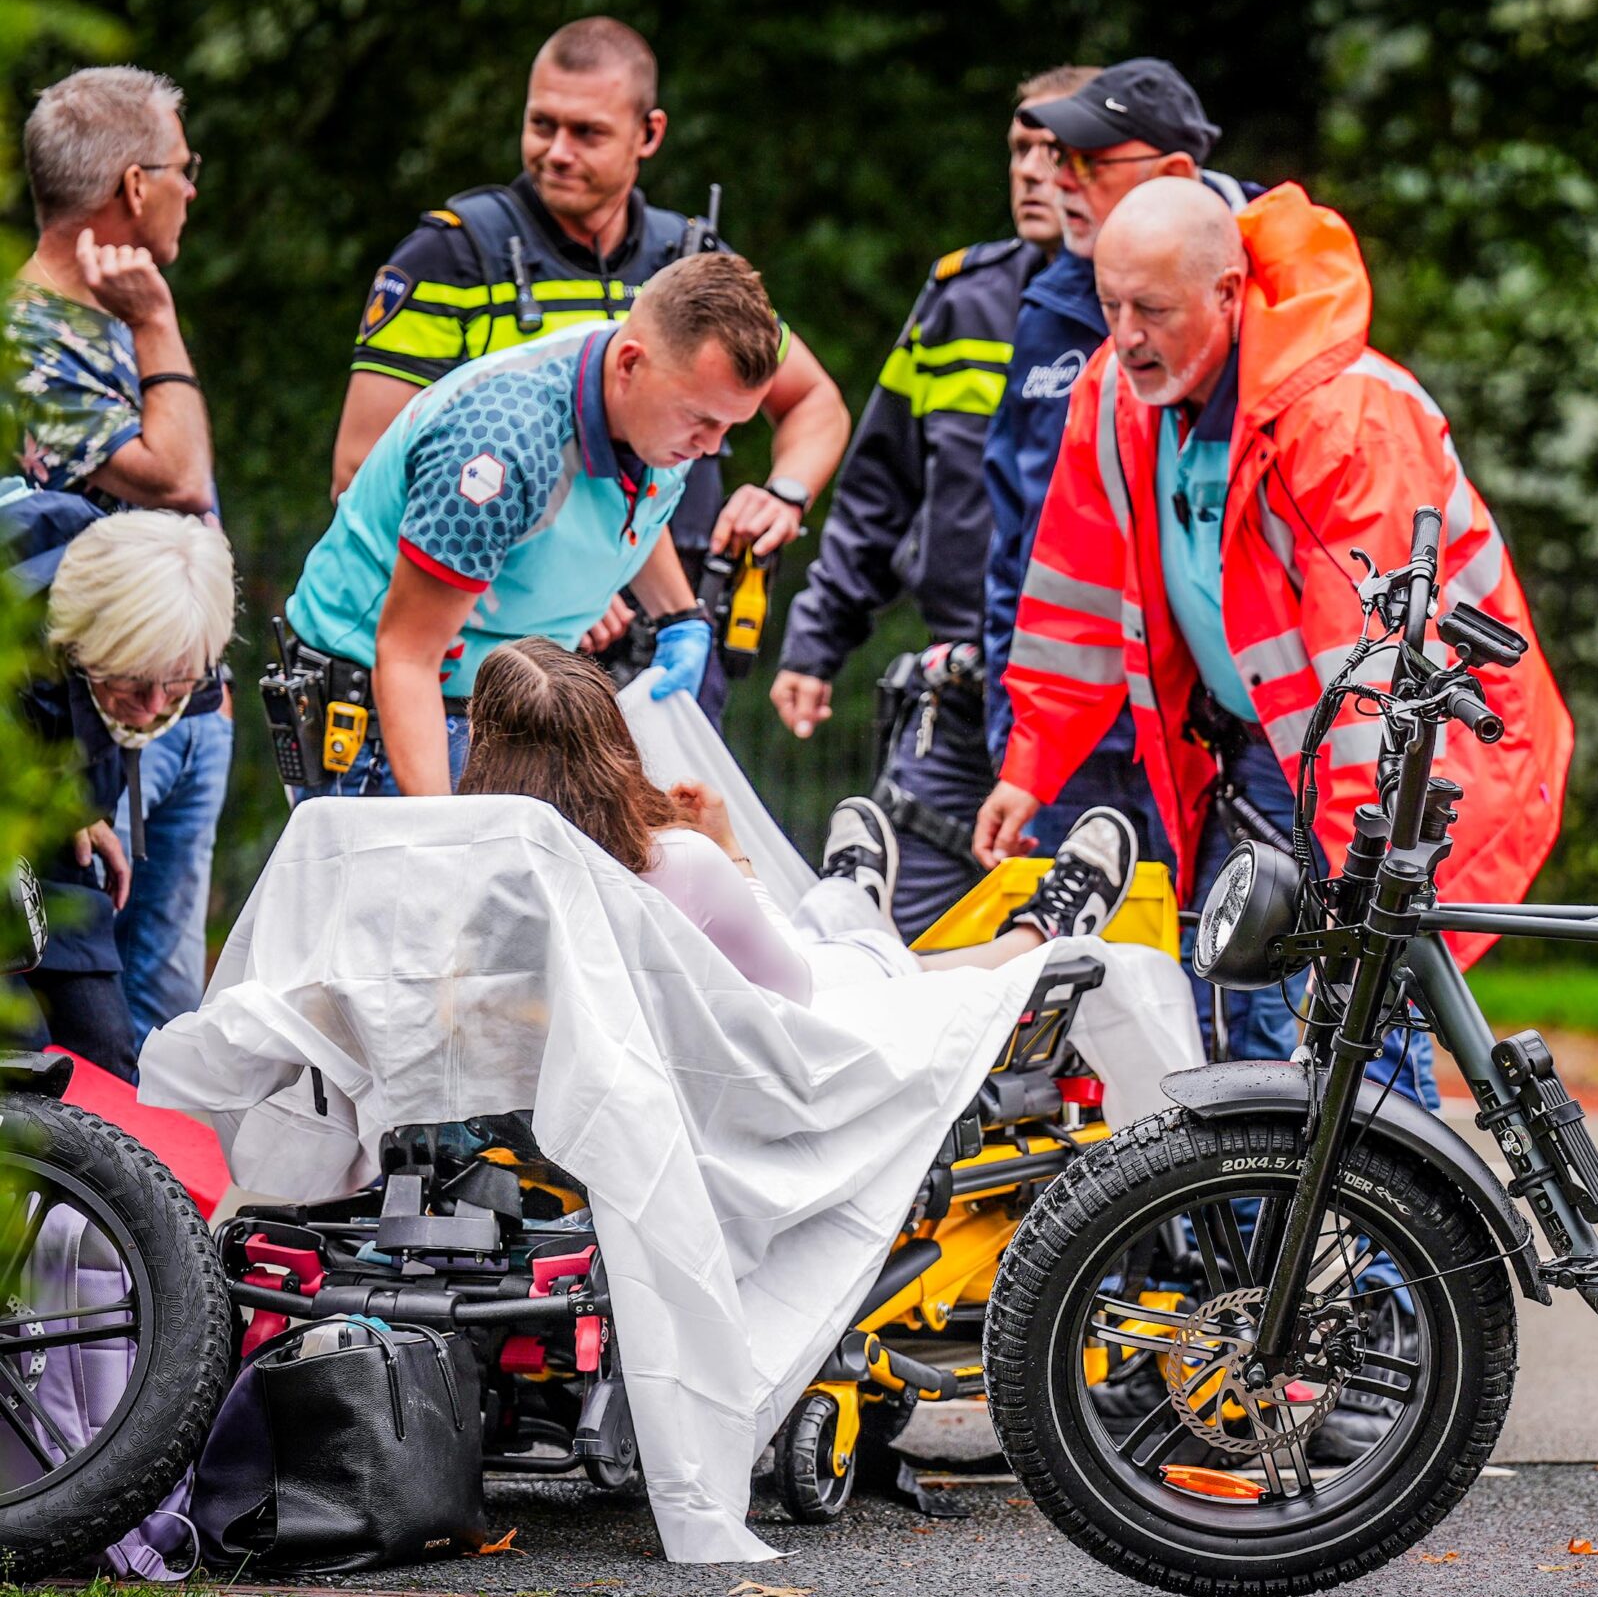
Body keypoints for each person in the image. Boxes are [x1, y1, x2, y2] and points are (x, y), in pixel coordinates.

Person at [974, 179, 1577, 1105]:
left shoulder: (1343, 417)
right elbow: (1078, 591)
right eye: (1109, 305)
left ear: (1227, 293)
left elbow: (1382, 685)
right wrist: (1030, 764)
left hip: (1421, 747)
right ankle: (1275, 1239)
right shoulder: (1117, 391)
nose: (1124, 334)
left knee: (1349, 1018)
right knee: (1246, 1017)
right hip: (1264, 747)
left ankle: (1400, 1247)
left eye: (1153, 310)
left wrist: (1356, 883)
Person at [326, 16, 849, 723]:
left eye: (588, 132)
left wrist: (784, 494)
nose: (557, 152)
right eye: (542, 124)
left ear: (650, 134)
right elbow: (362, 468)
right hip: (493, 657)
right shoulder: (448, 258)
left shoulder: (690, 265)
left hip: (669, 629)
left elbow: (814, 399)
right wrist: (570, 581)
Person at [770, 65, 1097, 940]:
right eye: (1019, 148)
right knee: (912, 937)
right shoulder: (962, 298)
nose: (1031, 170)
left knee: (1077, 943)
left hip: (1092, 698)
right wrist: (816, 637)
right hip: (959, 690)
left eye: (1055, 150)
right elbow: (881, 485)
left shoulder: (1140, 305)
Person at [277, 254, 778, 799]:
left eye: (729, 424)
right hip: (388, 717)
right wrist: (440, 844)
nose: (711, 446)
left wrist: (680, 619)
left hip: (506, 711)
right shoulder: (498, 449)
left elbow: (638, 502)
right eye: (701, 420)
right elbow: (405, 657)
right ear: (629, 365)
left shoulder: (660, 407)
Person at [458, 637, 1146, 1007]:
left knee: (843, 928)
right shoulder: (674, 863)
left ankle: (858, 901)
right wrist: (728, 848)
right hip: (805, 1034)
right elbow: (791, 983)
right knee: (879, 963)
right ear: (613, 737)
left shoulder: (482, 877)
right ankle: (1037, 936)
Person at [979, 59, 1254, 871]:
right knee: (1089, 972)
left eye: (1087, 164)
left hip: (1212, 729)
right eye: (1049, 157)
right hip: (1076, 724)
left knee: (1240, 980)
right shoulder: (1047, 299)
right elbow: (1028, 540)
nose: (1057, 181)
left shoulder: (1277, 317)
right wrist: (1022, 736)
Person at [6, 66, 228, 1048]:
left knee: (163, 1010)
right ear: (135, 187)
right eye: (184, 169)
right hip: (110, 708)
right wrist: (159, 323)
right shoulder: (30, 336)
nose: (193, 188)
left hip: (178, 702)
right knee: (106, 1030)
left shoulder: (95, 322)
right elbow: (177, 476)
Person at [8, 509, 236, 1080]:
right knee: (24, 1058)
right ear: (84, 645)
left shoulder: (147, 639)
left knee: (105, 1057)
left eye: (177, 683)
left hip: (47, 837)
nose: (156, 705)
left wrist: (76, 805)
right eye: (135, 684)